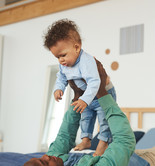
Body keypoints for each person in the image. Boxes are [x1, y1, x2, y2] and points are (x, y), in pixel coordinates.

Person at [15, 60, 155, 166]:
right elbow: (125, 140)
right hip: (147, 160)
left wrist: (77, 96)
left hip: (118, 155)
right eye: (45, 162)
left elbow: (64, 137)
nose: (46, 156)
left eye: (41, 158)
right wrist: (103, 93)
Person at [44, 19, 116, 156]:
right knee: (86, 117)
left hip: (102, 94)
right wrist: (59, 89)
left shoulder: (86, 62)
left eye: (63, 55)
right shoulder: (64, 65)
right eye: (57, 57)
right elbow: (62, 77)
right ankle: (86, 140)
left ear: (76, 48)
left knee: (104, 118)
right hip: (86, 96)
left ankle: (103, 142)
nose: (60, 60)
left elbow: (95, 82)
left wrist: (84, 100)